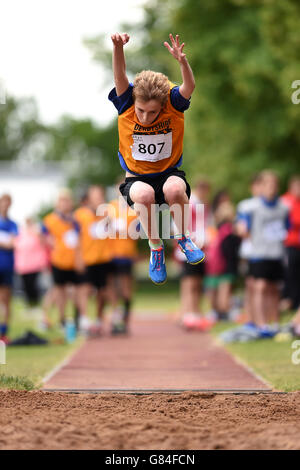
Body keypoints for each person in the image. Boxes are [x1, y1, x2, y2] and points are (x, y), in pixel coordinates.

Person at [109, 32, 204, 286]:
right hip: (138, 178)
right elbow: (119, 76)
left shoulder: (173, 102)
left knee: (174, 188)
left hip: (168, 173)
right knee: (143, 196)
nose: (145, 118)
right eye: (141, 110)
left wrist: (182, 62)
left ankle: (183, 238)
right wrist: (118, 48)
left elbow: (189, 87)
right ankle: (156, 247)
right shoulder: (127, 100)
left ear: (162, 106)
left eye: (152, 112)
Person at [236, 170, 289, 337]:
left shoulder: (284, 208)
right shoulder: (251, 207)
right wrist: (243, 229)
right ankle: (260, 324)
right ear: (262, 186)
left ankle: (274, 323)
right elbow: (242, 227)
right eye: (268, 184)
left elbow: (286, 228)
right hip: (258, 253)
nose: (271, 188)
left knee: (274, 289)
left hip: (277, 253)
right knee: (259, 287)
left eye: (274, 184)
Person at [74, 185, 118, 335]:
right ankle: (84, 320)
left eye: (100, 195)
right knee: (85, 289)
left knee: (102, 290)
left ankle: (99, 320)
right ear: (88, 198)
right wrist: (78, 258)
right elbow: (77, 238)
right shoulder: (80, 215)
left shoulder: (106, 213)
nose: (98, 198)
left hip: (103, 257)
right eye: (95, 196)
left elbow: (111, 231)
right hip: (87, 258)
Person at [42, 189, 80, 328]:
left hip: (74, 261)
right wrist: (49, 242)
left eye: (67, 200)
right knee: (59, 291)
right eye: (62, 201)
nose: (65, 204)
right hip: (58, 260)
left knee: (76, 291)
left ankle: (77, 318)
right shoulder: (50, 220)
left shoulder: (75, 220)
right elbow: (43, 236)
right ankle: (61, 318)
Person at [108, 190, 139, 334]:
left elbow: (137, 234)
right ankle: (115, 320)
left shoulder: (134, 210)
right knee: (113, 289)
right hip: (111, 254)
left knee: (126, 288)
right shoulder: (110, 208)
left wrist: (127, 229)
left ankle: (125, 321)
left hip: (126, 254)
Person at [205, 202, 241, 321]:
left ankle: (216, 312)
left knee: (215, 290)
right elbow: (230, 250)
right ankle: (224, 313)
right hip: (227, 265)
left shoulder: (215, 228)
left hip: (215, 265)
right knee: (225, 292)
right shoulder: (230, 230)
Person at [14, 217, 48, 308]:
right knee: (26, 286)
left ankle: (35, 303)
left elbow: (42, 245)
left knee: (34, 285)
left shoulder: (37, 232)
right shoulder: (20, 232)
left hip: (35, 264)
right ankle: (29, 304)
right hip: (23, 265)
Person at [0, 194, 18, 344]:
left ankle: (4, 332)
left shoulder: (13, 224)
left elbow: (13, 243)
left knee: (6, 300)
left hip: (7, 266)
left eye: (7, 202)